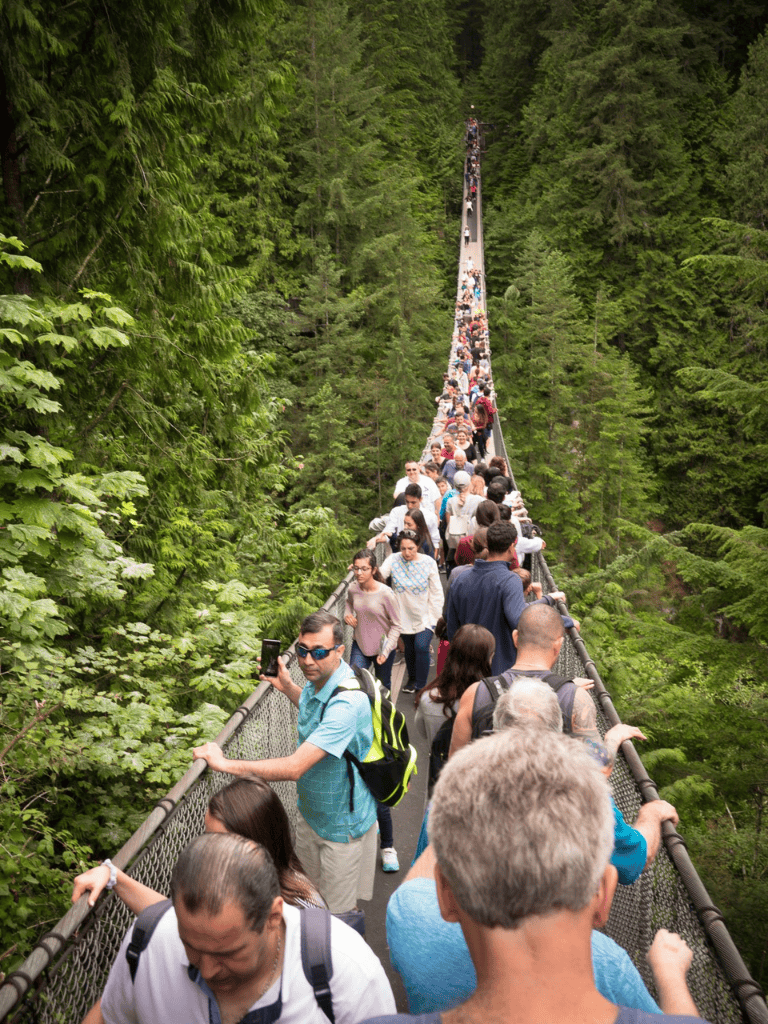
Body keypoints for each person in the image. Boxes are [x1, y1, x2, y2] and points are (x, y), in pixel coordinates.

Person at [365, 729, 702, 1024]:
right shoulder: (610, 963)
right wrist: (670, 974)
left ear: (445, 894)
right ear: (603, 895)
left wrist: (485, 787)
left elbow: (427, 872)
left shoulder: (407, 914)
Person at [84, 833, 395, 1024]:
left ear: (273, 916)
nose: (206, 970)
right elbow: (110, 1015)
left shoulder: (347, 972)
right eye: (190, 946)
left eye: (227, 953)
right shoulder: (150, 941)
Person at [192, 611, 378, 914]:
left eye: (319, 652)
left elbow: (294, 768)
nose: (307, 660)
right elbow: (314, 712)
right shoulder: (319, 682)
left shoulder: (348, 702)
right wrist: (287, 685)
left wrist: (225, 764)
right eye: (302, 650)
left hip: (342, 827)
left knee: (338, 915)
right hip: (312, 814)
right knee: (310, 898)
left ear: (340, 651)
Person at [72, 777, 325, 913]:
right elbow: (176, 918)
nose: (207, 850)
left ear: (258, 843)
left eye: (220, 842)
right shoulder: (231, 880)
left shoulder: (303, 911)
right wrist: (113, 875)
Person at [448, 603, 593, 757]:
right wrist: (613, 739)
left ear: (515, 637)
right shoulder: (576, 698)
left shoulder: (476, 692)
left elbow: (455, 761)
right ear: (559, 644)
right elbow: (600, 768)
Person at [445, 521, 574, 675]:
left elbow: (450, 622)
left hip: (464, 667)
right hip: (498, 669)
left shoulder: (461, 578)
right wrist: (565, 621)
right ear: (512, 547)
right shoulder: (509, 580)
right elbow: (519, 618)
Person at [344, 550, 403, 874]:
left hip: (382, 646)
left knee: (382, 696)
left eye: (364, 569)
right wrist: (350, 619)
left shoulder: (386, 593)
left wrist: (386, 649)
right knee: (356, 684)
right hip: (359, 645)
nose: (359, 575)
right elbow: (349, 611)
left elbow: (397, 624)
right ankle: (360, 720)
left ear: (374, 569)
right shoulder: (353, 589)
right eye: (356, 570)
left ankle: (382, 730)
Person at [379, 530, 443, 695]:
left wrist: (435, 618)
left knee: (421, 646)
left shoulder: (428, 562)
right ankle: (412, 678)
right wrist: (362, 569)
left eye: (411, 548)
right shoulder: (393, 559)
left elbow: (436, 592)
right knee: (409, 648)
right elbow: (380, 575)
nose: (407, 552)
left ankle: (421, 686)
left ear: (418, 547)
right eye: (403, 548)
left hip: (425, 615)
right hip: (402, 615)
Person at [414, 624, 495, 747]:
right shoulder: (491, 700)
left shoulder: (428, 698)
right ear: (487, 659)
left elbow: (422, 731)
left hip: (439, 764)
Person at [368, 483, 440, 553]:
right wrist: (375, 539)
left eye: (413, 502)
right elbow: (388, 533)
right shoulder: (397, 512)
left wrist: (434, 561)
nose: (410, 506)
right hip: (401, 553)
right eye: (407, 502)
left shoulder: (430, 516)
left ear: (420, 499)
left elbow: (435, 542)